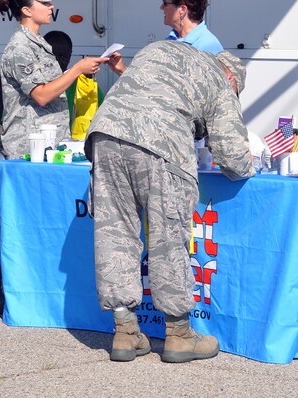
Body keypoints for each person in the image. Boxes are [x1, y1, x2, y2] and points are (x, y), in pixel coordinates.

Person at [85, 40, 254, 362]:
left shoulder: (157, 49)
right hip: (161, 147)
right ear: (233, 81)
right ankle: (178, 335)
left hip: (105, 136)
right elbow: (233, 157)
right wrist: (249, 163)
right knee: (167, 239)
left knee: (114, 236)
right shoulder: (221, 81)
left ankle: (125, 332)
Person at [0, 0, 109, 314]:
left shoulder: (39, 44)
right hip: (28, 146)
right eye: (44, 3)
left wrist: (81, 73)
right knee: (16, 217)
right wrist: (77, 69)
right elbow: (43, 93)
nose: (51, 7)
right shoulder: (19, 49)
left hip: (51, 143)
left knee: (38, 216)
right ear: (26, 8)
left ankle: (21, 285)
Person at [107, 0, 222, 76]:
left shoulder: (208, 46)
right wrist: (122, 70)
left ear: (182, 9)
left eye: (165, 3)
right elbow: (155, 86)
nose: (161, 7)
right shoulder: (172, 40)